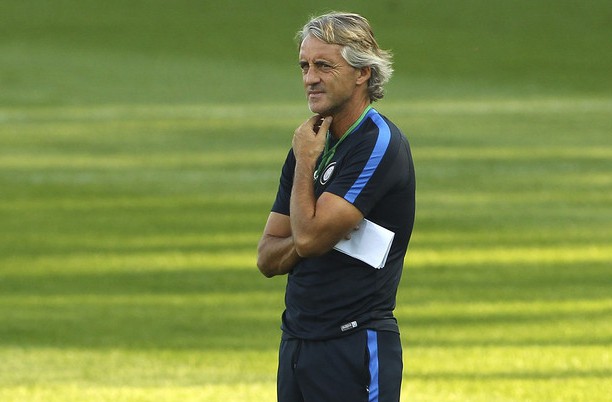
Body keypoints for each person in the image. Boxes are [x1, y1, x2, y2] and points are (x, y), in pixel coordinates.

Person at [257, 11, 416, 402]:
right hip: (297, 344)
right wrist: (311, 233)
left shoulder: (377, 143)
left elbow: (309, 240)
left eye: (324, 66)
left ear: (362, 72)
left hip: (354, 346)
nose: (310, 78)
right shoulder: (309, 143)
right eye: (305, 66)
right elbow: (267, 258)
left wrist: (310, 233)